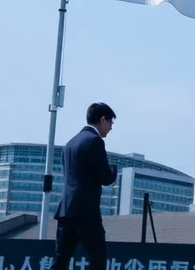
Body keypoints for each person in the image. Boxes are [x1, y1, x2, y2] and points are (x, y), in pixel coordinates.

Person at [49, 102, 119, 270]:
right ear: (103, 120)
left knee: (60, 260)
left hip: (66, 211)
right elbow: (105, 178)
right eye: (110, 123)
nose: (110, 128)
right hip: (86, 212)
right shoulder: (94, 141)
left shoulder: (70, 143)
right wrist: (113, 169)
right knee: (97, 259)